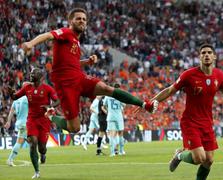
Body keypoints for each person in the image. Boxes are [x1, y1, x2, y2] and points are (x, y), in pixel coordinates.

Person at [21, 8, 158, 133]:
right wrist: (30, 44)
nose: (82, 21)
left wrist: (87, 62)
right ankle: (51, 116)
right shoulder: (66, 32)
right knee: (74, 128)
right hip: (66, 84)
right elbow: (48, 35)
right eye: (78, 18)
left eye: (84, 19)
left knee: (106, 88)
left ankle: (144, 104)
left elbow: (71, 64)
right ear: (70, 21)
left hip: (79, 77)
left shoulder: (76, 41)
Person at [146, 44, 223, 180]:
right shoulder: (189, 75)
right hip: (190, 122)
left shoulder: (219, 75)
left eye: (209, 52)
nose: (206, 55)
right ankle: (179, 155)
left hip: (207, 123)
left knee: (208, 161)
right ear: (199, 57)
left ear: (214, 56)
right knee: (199, 158)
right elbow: (170, 90)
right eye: (203, 53)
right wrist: (150, 101)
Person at [8, 68, 60, 179]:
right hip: (31, 120)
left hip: (44, 121)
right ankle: (37, 171)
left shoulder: (48, 88)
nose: (31, 75)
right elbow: (15, 97)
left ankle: (43, 154)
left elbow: (57, 101)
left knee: (42, 148)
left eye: (33, 73)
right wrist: (11, 94)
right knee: (33, 144)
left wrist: (50, 107)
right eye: (30, 73)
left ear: (40, 77)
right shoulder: (27, 87)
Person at [5, 96, 28, 167]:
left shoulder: (16, 100)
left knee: (31, 140)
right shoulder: (27, 98)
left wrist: (8, 122)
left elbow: (11, 112)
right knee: (20, 142)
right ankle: (10, 159)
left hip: (19, 123)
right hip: (25, 123)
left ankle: (40, 157)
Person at [104, 83, 126, 156]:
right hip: (119, 117)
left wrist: (108, 111)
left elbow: (104, 105)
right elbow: (124, 105)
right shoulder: (120, 96)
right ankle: (121, 151)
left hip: (110, 117)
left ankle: (112, 152)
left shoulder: (108, 96)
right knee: (120, 134)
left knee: (112, 135)